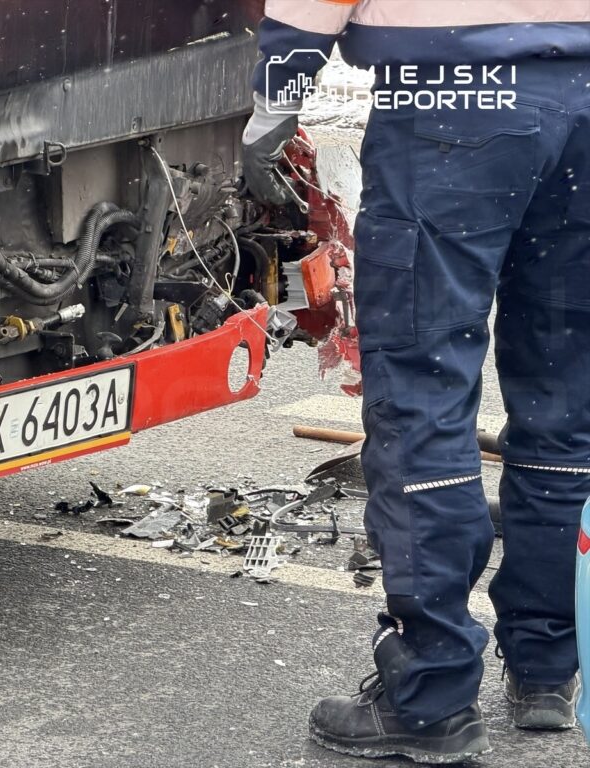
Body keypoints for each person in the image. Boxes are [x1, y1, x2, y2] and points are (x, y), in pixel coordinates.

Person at [242, 1, 590, 763]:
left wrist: (276, 92)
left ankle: (428, 695)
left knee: (422, 393)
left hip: (454, 103)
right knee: (567, 399)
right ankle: (550, 665)